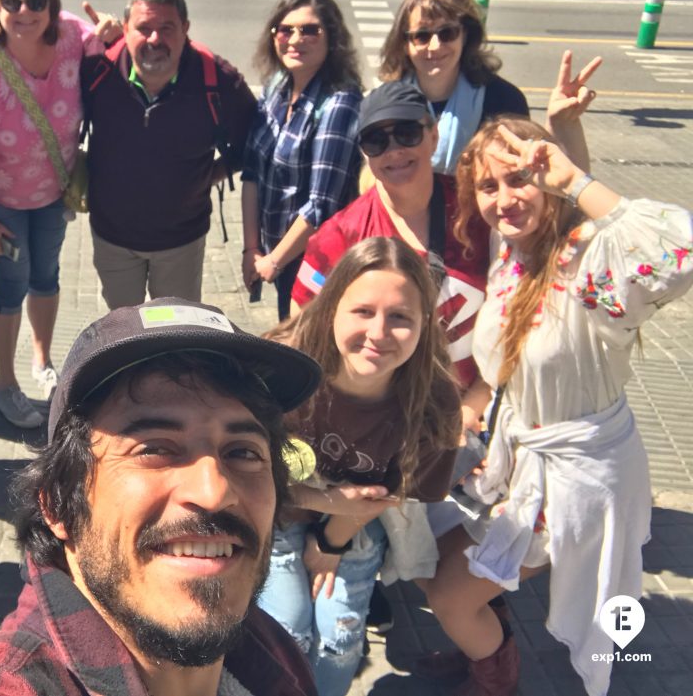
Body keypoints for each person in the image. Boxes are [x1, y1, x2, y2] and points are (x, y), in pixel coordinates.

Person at [0, 297, 323, 696]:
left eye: (243, 452)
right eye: (154, 449)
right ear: (56, 504)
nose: (214, 491)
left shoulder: (272, 652)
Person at [419, 117, 693, 696]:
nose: (504, 200)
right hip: (517, 461)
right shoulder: (512, 253)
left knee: (448, 596)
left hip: (575, 478)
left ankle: (497, 676)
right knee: (427, 551)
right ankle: (489, 639)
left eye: (521, 179)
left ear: (549, 179)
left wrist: (576, 175)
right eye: (488, 187)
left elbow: (678, 248)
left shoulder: (588, 266)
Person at [257, 237, 460, 693]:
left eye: (401, 317)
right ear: (332, 308)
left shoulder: (433, 399)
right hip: (276, 507)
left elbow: (389, 495)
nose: (379, 333)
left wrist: (331, 541)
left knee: (340, 635)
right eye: (363, 311)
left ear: (425, 324)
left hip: (357, 520)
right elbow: (248, 469)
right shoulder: (282, 367)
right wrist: (327, 499)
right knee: (288, 627)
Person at [0, 0, 121, 429]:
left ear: (50, 0)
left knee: (46, 278)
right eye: (11, 2)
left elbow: (108, 47)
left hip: (53, 194)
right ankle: (5, 385)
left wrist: (112, 32)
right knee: (10, 285)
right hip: (2, 203)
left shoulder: (67, 33)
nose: (24, 11)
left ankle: (41, 362)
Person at [292, 81, 490, 428]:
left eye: (407, 133)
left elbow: (524, 302)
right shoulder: (340, 235)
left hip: (470, 419)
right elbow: (304, 334)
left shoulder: (481, 213)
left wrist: (473, 407)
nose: (394, 150)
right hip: (380, 428)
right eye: (376, 140)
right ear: (365, 153)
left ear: (433, 136)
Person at [81, 0, 257, 309]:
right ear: (126, 29)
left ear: (185, 28)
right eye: (143, 28)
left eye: (167, 27)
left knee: (175, 337)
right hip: (112, 237)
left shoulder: (217, 80)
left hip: (181, 240)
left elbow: (254, 144)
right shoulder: (97, 69)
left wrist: (211, 174)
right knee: (123, 334)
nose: (154, 39)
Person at [378, 0, 600, 177]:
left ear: (466, 35)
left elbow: (537, 181)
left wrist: (561, 127)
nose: (435, 46)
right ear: (404, 43)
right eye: (422, 36)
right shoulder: (385, 105)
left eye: (448, 33)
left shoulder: (504, 101)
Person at [242, 0, 363, 321]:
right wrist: (251, 249)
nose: (295, 40)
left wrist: (273, 260)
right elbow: (252, 171)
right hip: (276, 255)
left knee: (309, 350)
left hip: (316, 260)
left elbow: (321, 204)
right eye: (285, 29)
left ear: (331, 38)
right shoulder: (276, 88)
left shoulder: (340, 101)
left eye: (310, 30)